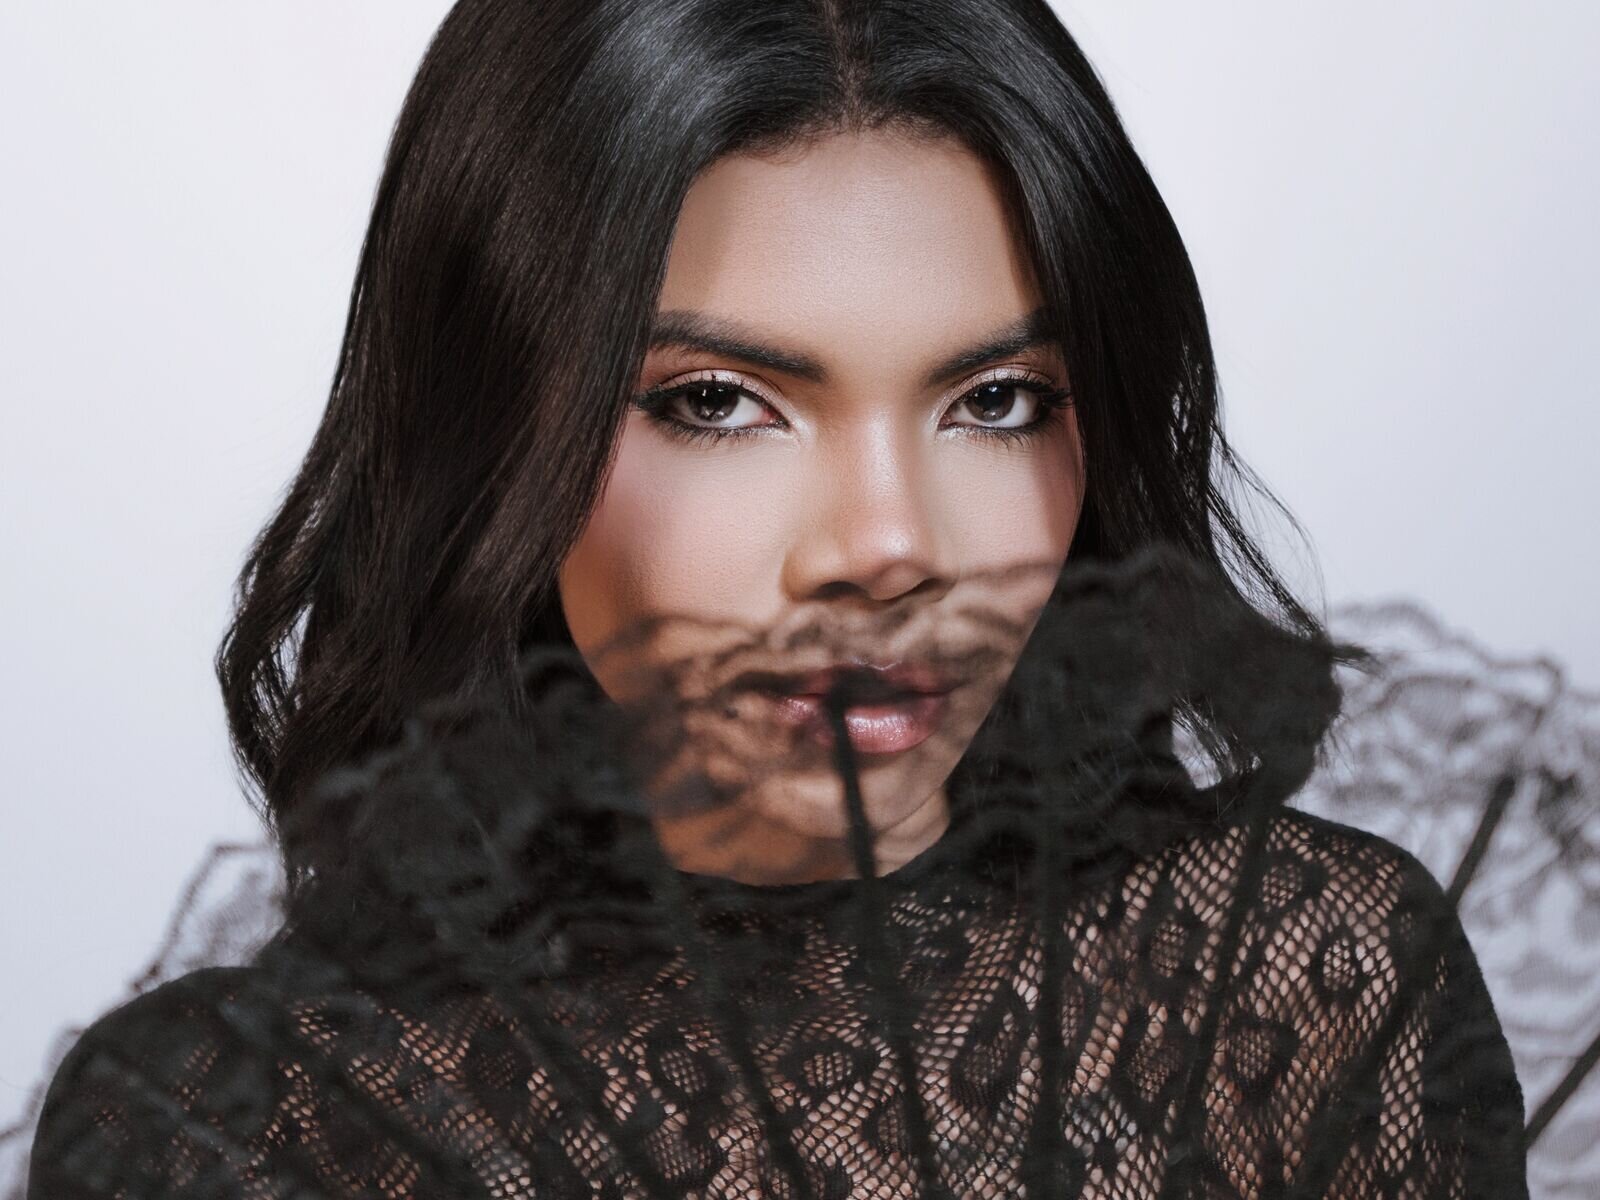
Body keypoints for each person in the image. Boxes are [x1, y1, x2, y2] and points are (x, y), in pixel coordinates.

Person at [27, 1, 1528, 1196]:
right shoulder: (229, 1130)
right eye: (718, 402)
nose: (886, 546)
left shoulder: (1309, 991)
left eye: (998, 399)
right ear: (493, 438)